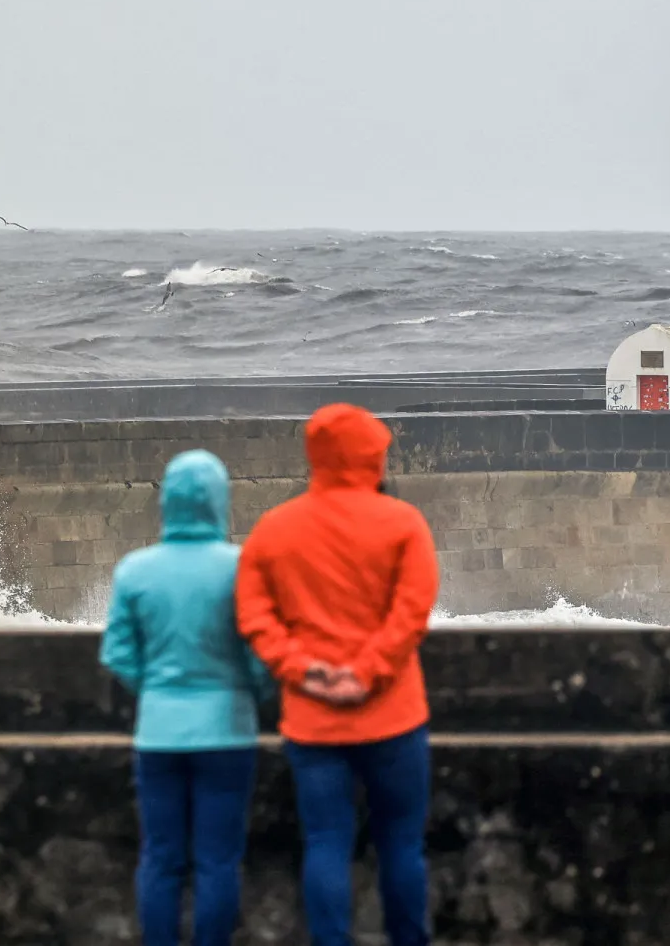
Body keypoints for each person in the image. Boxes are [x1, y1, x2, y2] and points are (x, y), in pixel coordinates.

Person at [235, 403, 440, 946]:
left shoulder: (275, 529)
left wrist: (303, 670)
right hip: (394, 715)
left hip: (313, 719)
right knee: (402, 846)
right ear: (374, 454)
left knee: (325, 842)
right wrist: (368, 672)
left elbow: (253, 614)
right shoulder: (403, 524)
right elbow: (411, 611)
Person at [99, 449, 274, 946]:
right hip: (227, 732)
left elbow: (118, 654)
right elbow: (262, 654)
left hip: (158, 733)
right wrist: (251, 694)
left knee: (160, 857)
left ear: (167, 504)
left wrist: (154, 691)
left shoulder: (135, 571)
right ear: (221, 502)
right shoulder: (242, 568)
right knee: (218, 860)